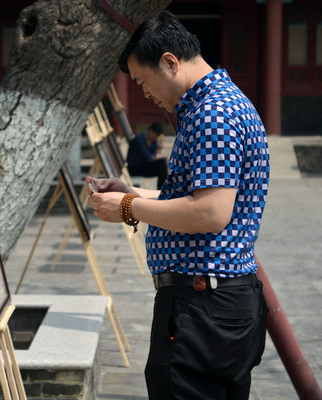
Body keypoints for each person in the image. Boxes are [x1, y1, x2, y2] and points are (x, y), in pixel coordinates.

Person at [86, 11, 269, 399]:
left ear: (170, 61)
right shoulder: (218, 105)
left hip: (202, 306)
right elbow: (196, 198)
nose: (144, 93)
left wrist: (128, 208)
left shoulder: (212, 114)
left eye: (143, 81)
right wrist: (129, 193)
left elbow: (210, 213)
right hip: (217, 303)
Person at [127, 122, 168, 189]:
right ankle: (161, 191)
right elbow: (150, 157)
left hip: (144, 165)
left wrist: (160, 144)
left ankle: (161, 190)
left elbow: (155, 155)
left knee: (162, 165)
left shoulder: (153, 140)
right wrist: (165, 156)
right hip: (134, 168)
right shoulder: (139, 139)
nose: (156, 137)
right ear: (150, 131)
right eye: (156, 135)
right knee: (162, 165)